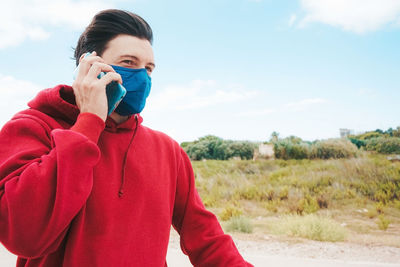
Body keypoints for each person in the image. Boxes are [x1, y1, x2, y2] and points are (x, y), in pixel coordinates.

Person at [0, 9, 253, 267]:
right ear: (88, 65)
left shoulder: (167, 151)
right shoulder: (31, 127)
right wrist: (89, 122)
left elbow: (207, 241)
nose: (143, 77)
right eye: (130, 62)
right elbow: (23, 235)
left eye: (149, 68)